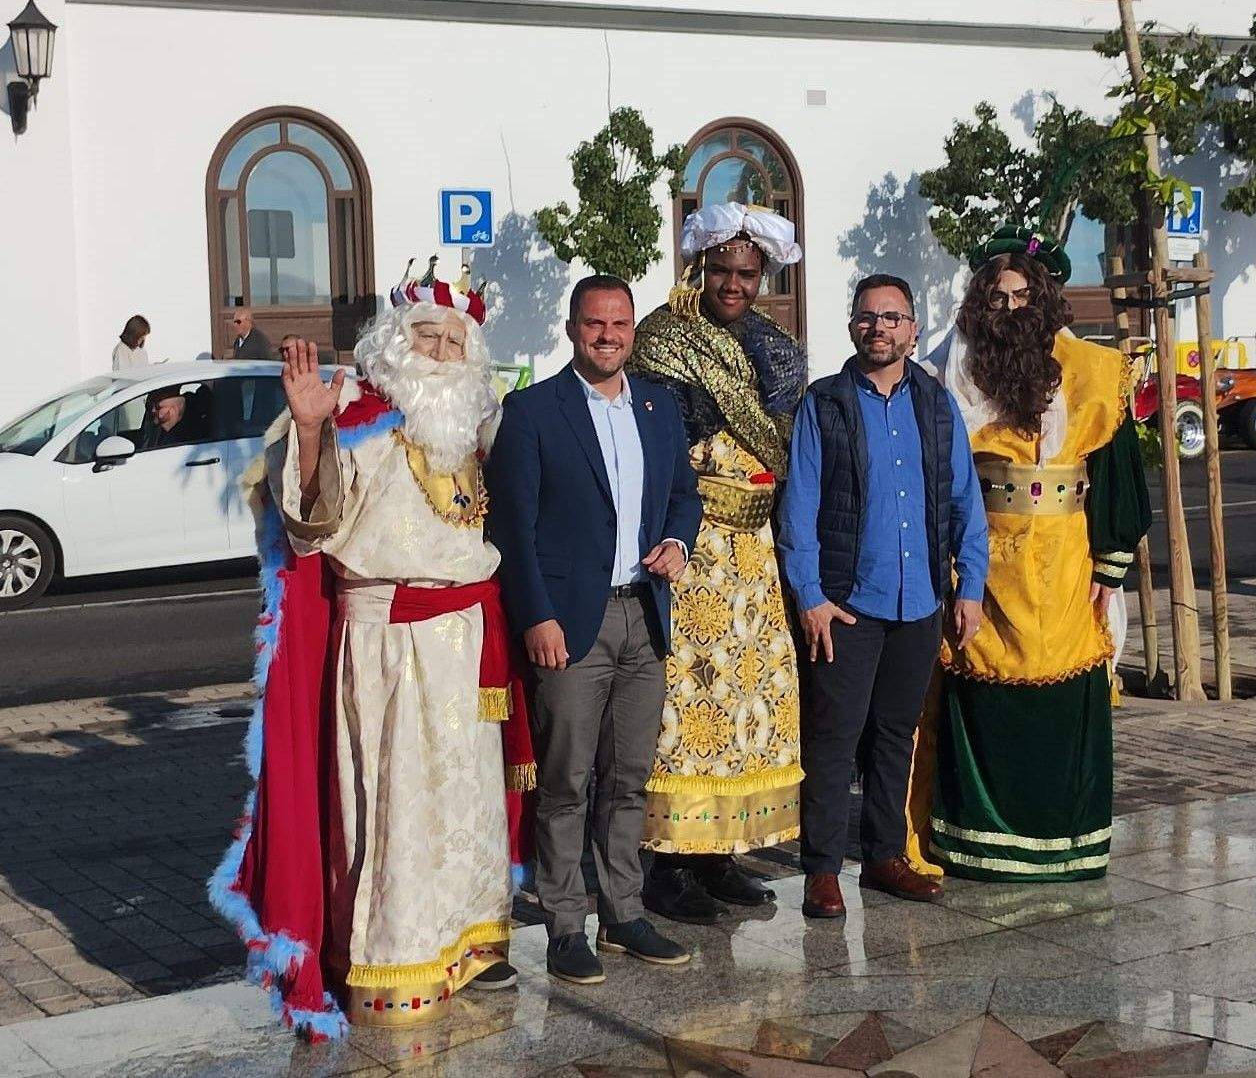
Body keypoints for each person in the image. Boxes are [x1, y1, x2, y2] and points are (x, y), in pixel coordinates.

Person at [209, 272, 535, 1038]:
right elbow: (310, 527)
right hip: (392, 642)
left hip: (466, 644)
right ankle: (398, 958)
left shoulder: (469, 431)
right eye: (429, 336)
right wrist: (313, 431)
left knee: (466, 803)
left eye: (457, 341)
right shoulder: (358, 419)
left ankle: (467, 944)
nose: (444, 352)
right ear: (396, 343)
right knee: (398, 807)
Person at [911, 228, 1151, 884]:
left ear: (1042, 300)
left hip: (1066, 564)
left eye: (1020, 295)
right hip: (983, 560)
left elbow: (1116, 472)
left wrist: (1109, 565)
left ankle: (1063, 840)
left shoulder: (1098, 373)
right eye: (995, 297)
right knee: (979, 681)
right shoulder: (946, 375)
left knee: (1063, 687)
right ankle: (975, 840)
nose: (1009, 309)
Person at [486, 274, 702, 986]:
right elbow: (510, 529)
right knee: (565, 781)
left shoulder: (658, 406)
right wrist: (536, 616)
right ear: (572, 327)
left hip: (643, 613)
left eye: (619, 324)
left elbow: (683, 495)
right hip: (570, 623)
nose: (608, 335)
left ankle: (623, 911)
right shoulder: (532, 411)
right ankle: (563, 925)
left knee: (629, 778)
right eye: (594, 324)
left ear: (631, 329)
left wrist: (678, 539)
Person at [777, 274, 988, 919]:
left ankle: (883, 855)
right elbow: (800, 509)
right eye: (869, 318)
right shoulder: (825, 404)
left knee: (898, 734)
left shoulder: (935, 402)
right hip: (846, 605)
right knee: (835, 738)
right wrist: (810, 596)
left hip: (920, 600)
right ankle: (820, 869)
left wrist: (969, 586)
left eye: (893, 318)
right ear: (852, 328)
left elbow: (963, 500)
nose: (880, 328)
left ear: (913, 329)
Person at [626, 203, 808, 924]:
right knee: (689, 706)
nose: (733, 284)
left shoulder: (776, 347)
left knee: (744, 705)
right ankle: (669, 865)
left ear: (761, 275)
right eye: (722, 271)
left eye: (746, 273)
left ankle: (720, 854)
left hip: (754, 552)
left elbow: (786, 440)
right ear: (701, 267)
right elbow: (658, 437)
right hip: (692, 547)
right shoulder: (664, 337)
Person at [143, 388, 207, 447]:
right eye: (150, 406)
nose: (153, 410)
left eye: (158, 407)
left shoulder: (184, 432)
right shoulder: (159, 429)